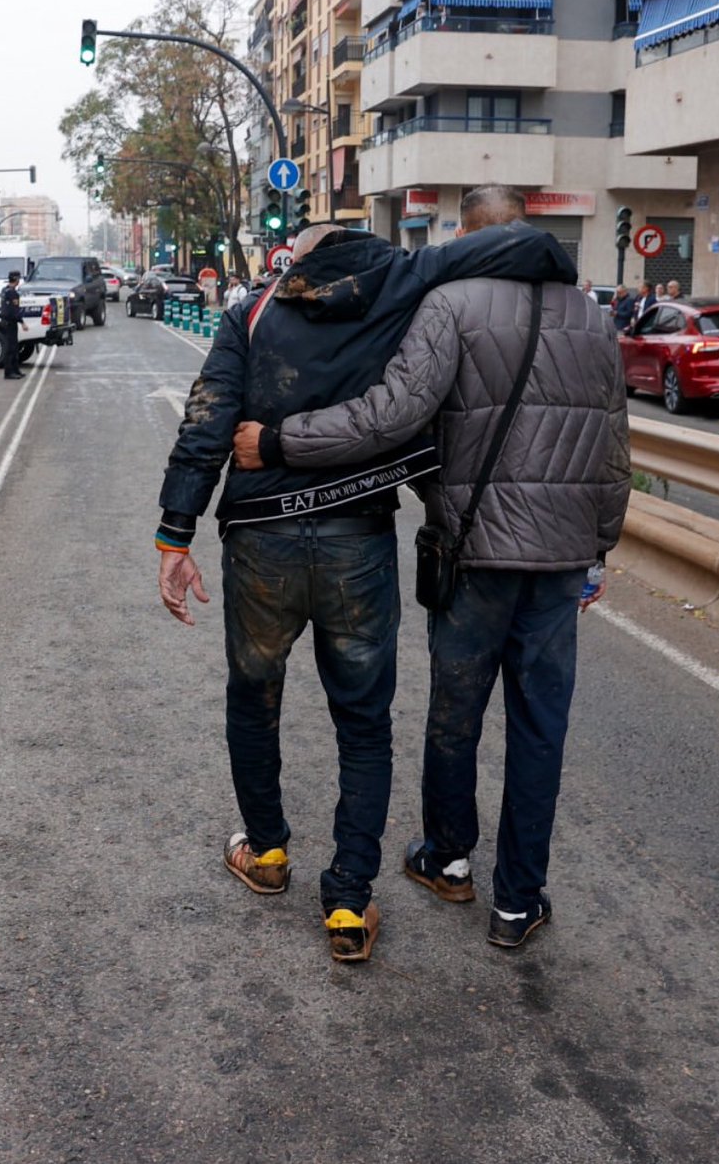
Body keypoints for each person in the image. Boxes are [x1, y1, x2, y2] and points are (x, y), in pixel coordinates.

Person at [157, 199, 578, 963]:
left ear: (297, 261)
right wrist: (558, 260)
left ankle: (269, 850)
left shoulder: (251, 313)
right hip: (357, 540)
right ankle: (350, 900)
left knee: (254, 697)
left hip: (261, 542)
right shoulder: (400, 284)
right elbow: (505, 245)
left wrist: (174, 534)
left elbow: (208, 419)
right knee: (364, 722)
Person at [0, 269, 28, 379]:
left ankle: (15, 370)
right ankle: (9, 372)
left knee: (14, 347)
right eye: (18, 279)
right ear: (16, 280)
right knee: (11, 348)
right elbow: (14, 310)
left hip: (6, 322)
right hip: (10, 322)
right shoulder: (12, 293)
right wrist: (22, 322)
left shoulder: (4, 290)